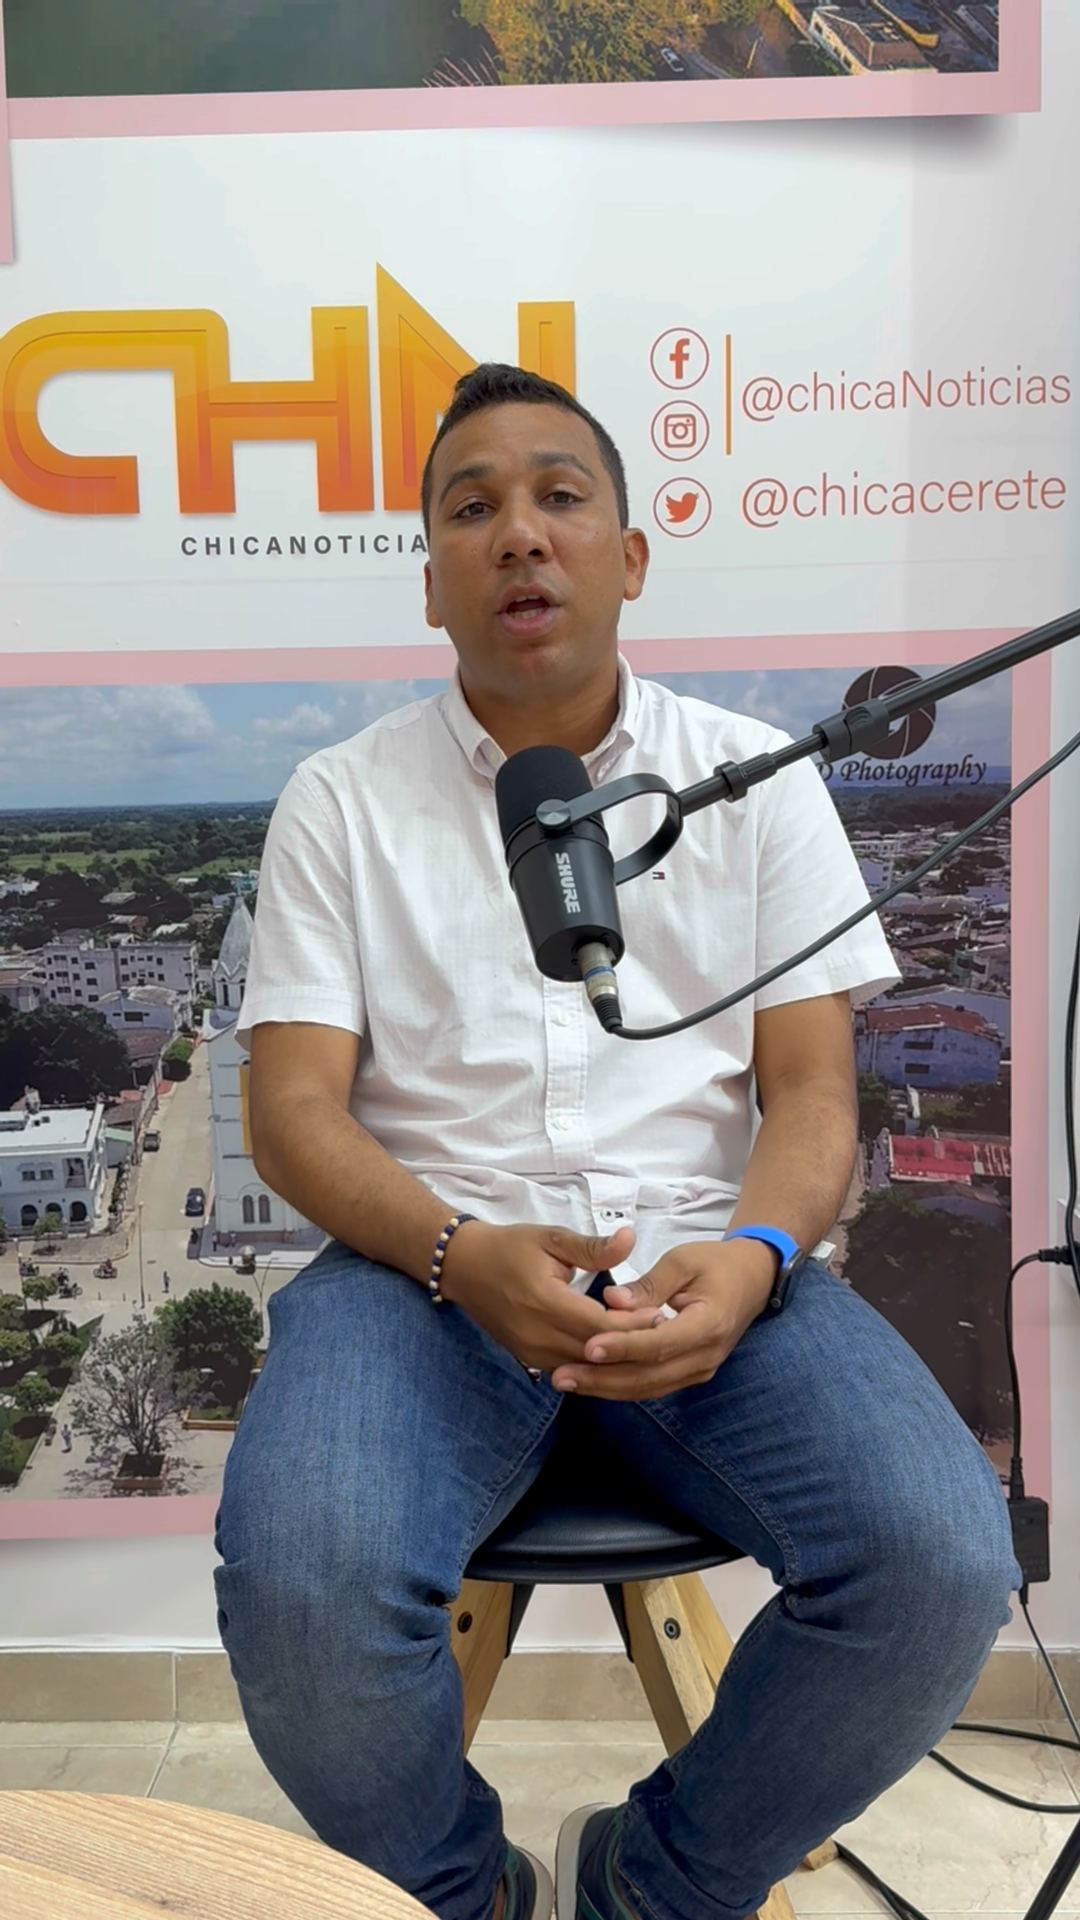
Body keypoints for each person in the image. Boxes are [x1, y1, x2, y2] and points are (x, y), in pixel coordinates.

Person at [214, 364, 1021, 1920]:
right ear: (432, 579)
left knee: (941, 1565)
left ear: (630, 556)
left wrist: (757, 1255)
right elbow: (293, 1111)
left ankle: (651, 1891)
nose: (520, 533)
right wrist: (459, 1252)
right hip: (420, 1280)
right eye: (473, 508)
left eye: (560, 496)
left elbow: (814, 1098)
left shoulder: (756, 784)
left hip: (709, 1268)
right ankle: (465, 1898)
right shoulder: (341, 800)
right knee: (305, 1586)